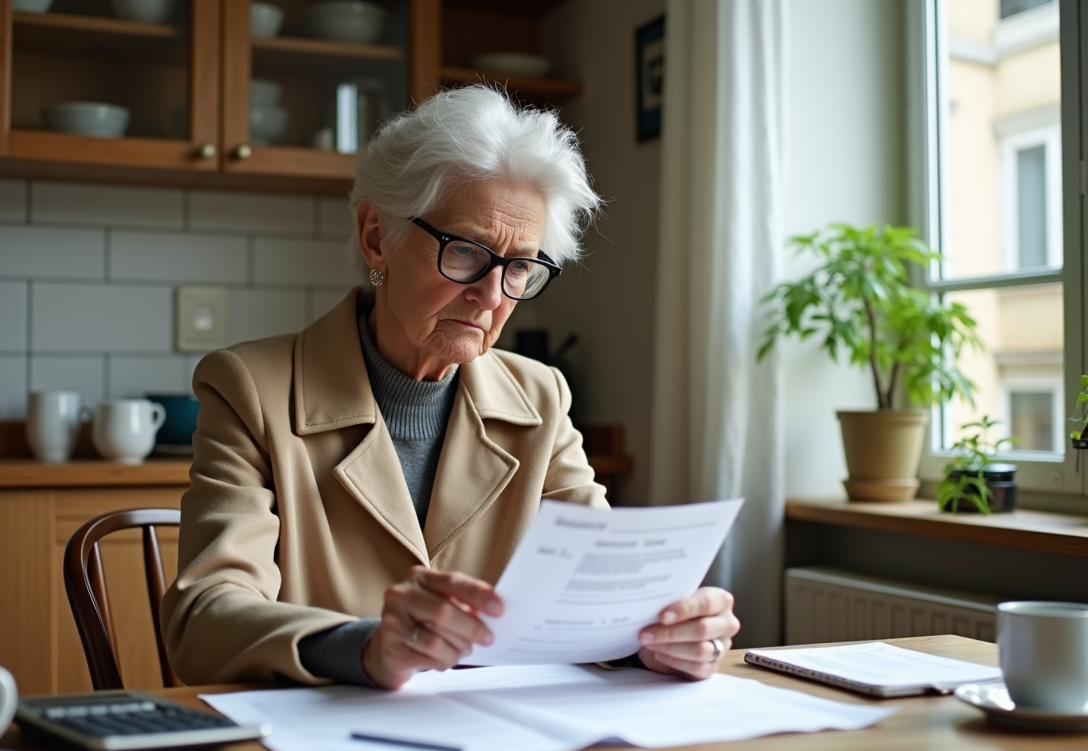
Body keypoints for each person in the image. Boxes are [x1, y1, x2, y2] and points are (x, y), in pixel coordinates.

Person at [160, 85, 739, 691]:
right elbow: (204, 619)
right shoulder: (251, 389)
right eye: (466, 251)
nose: (492, 297)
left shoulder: (542, 399)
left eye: (520, 267)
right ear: (377, 236)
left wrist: (660, 634)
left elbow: (594, 594)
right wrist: (362, 646)